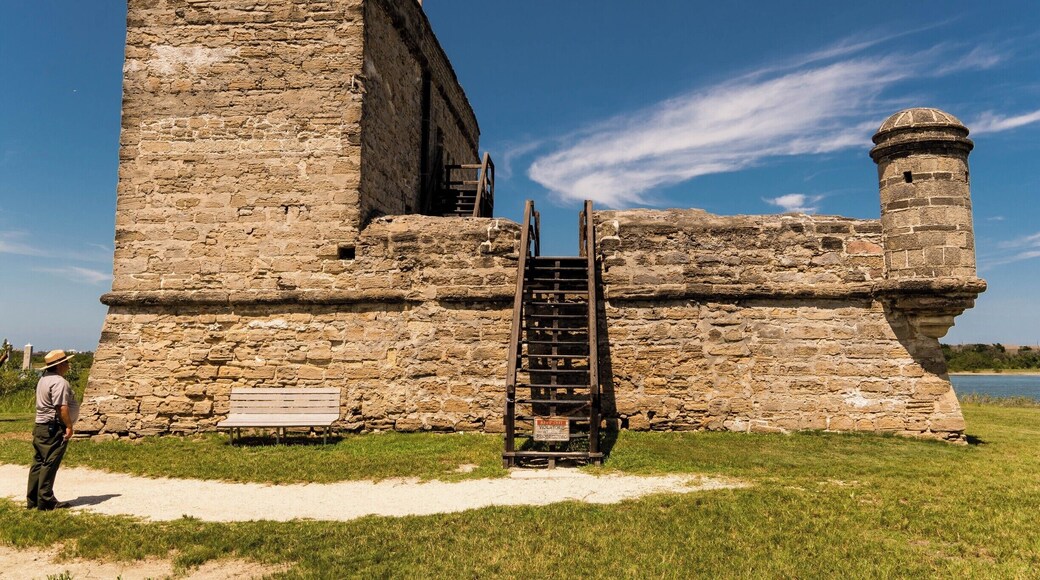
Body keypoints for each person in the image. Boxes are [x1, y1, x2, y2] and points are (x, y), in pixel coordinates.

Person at [26, 349, 79, 510]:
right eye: (67, 362)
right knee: (50, 462)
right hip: (53, 427)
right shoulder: (59, 382)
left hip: (41, 426)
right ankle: (46, 500)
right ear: (60, 364)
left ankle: (33, 499)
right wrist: (69, 426)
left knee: (39, 462)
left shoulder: (44, 379)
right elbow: (61, 407)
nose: (68, 365)